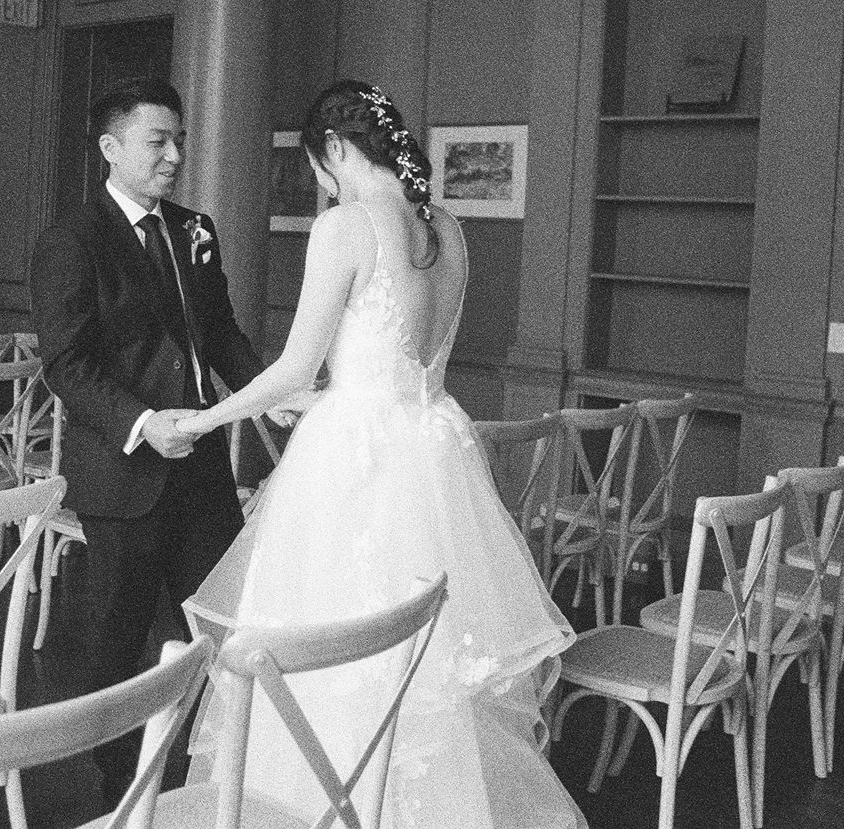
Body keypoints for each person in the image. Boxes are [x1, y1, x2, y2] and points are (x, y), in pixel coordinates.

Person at [177, 80, 586, 828]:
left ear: (333, 149)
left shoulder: (345, 228)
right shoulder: (452, 230)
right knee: (426, 666)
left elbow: (298, 368)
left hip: (352, 462)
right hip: (433, 450)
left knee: (323, 653)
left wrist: (206, 418)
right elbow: (404, 360)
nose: (320, 186)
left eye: (317, 168)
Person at [28, 76, 274, 801]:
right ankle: (120, 794)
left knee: (228, 624)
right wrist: (142, 424)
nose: (174, 155)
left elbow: (220, 333)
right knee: (114, 645)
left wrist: (271, 395)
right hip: (121, 477)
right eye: (157, 141)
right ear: (111, 148)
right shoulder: (71, 240)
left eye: (180, 140)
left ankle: (206, 775)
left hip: (202, 473)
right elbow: (67, 363)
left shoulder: (194, 229)